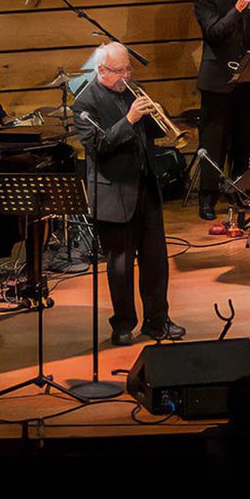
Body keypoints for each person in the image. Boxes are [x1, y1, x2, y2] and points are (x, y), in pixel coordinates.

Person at [72, 42, 184, 344]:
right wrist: (131, 119)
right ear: (101, 70)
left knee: (156, 261)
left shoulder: (134, 91)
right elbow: (99, 146)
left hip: (146, 188)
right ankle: (122, 325)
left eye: (128, 69)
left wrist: (157, 114)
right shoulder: (85, 104)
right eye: (119, 71)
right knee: (120, 267)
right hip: (114, 194)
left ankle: (157, 321)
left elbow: (155, 133)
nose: (125, 75)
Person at [193, 0, 250, 220]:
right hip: (218, 78)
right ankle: (207, 198)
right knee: (214, 141)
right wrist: (238, 8)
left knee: (245, 139)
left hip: (247, 74)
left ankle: (240, 191)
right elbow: (214, 32)